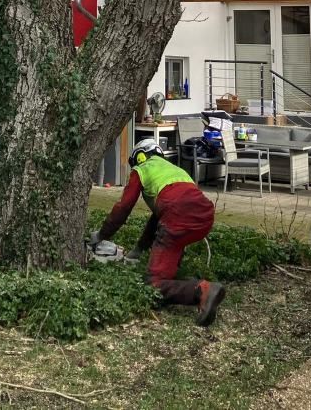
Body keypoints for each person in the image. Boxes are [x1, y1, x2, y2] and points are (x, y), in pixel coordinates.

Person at [90, 139, 225, 326]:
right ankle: (176, 279)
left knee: (153, 285)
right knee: (174, 241)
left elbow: (124, 207)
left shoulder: (142, 169)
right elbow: (157, 219)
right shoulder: (175, 170)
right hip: (204, 216)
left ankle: (201, 290)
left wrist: (101, 235)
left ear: (140, 156)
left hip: (177, 216)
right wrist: (138, 249)